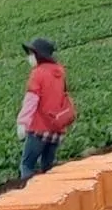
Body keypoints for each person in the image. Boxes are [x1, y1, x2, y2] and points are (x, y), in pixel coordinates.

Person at [16, 38, 74, 182]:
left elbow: (31, 100)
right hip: (56, 129)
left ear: (38, 55)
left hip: (39, 129)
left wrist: (23, 123)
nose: (29, 57)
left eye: (31, 54)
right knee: (48, 168)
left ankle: (30, 197)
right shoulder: (60, 71)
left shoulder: (38, 74)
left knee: (27, 165)